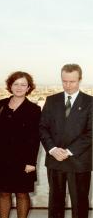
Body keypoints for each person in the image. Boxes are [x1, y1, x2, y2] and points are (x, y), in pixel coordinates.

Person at [0, 71, 41, 218]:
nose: (19, 87)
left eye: (23, 84)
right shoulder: (0, 104)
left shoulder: (34, 109)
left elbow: (35, 138)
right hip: (1, 157)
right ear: (10, 86)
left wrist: (31, 162)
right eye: (16, 84)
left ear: (28, 88)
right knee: (4, 193)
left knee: (22, 194)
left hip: (23, 159)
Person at [39, 64, 92, 218]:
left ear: (80, 80)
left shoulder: (90, 102)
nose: (68, 85)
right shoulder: (51, 100)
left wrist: (68, 151)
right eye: (64, 81)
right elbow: (42, 128)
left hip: (79, 161)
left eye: (72, 81)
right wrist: (53, 149)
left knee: (80, 204)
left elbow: (91, 133)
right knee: (55, 203)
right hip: (55, 160)